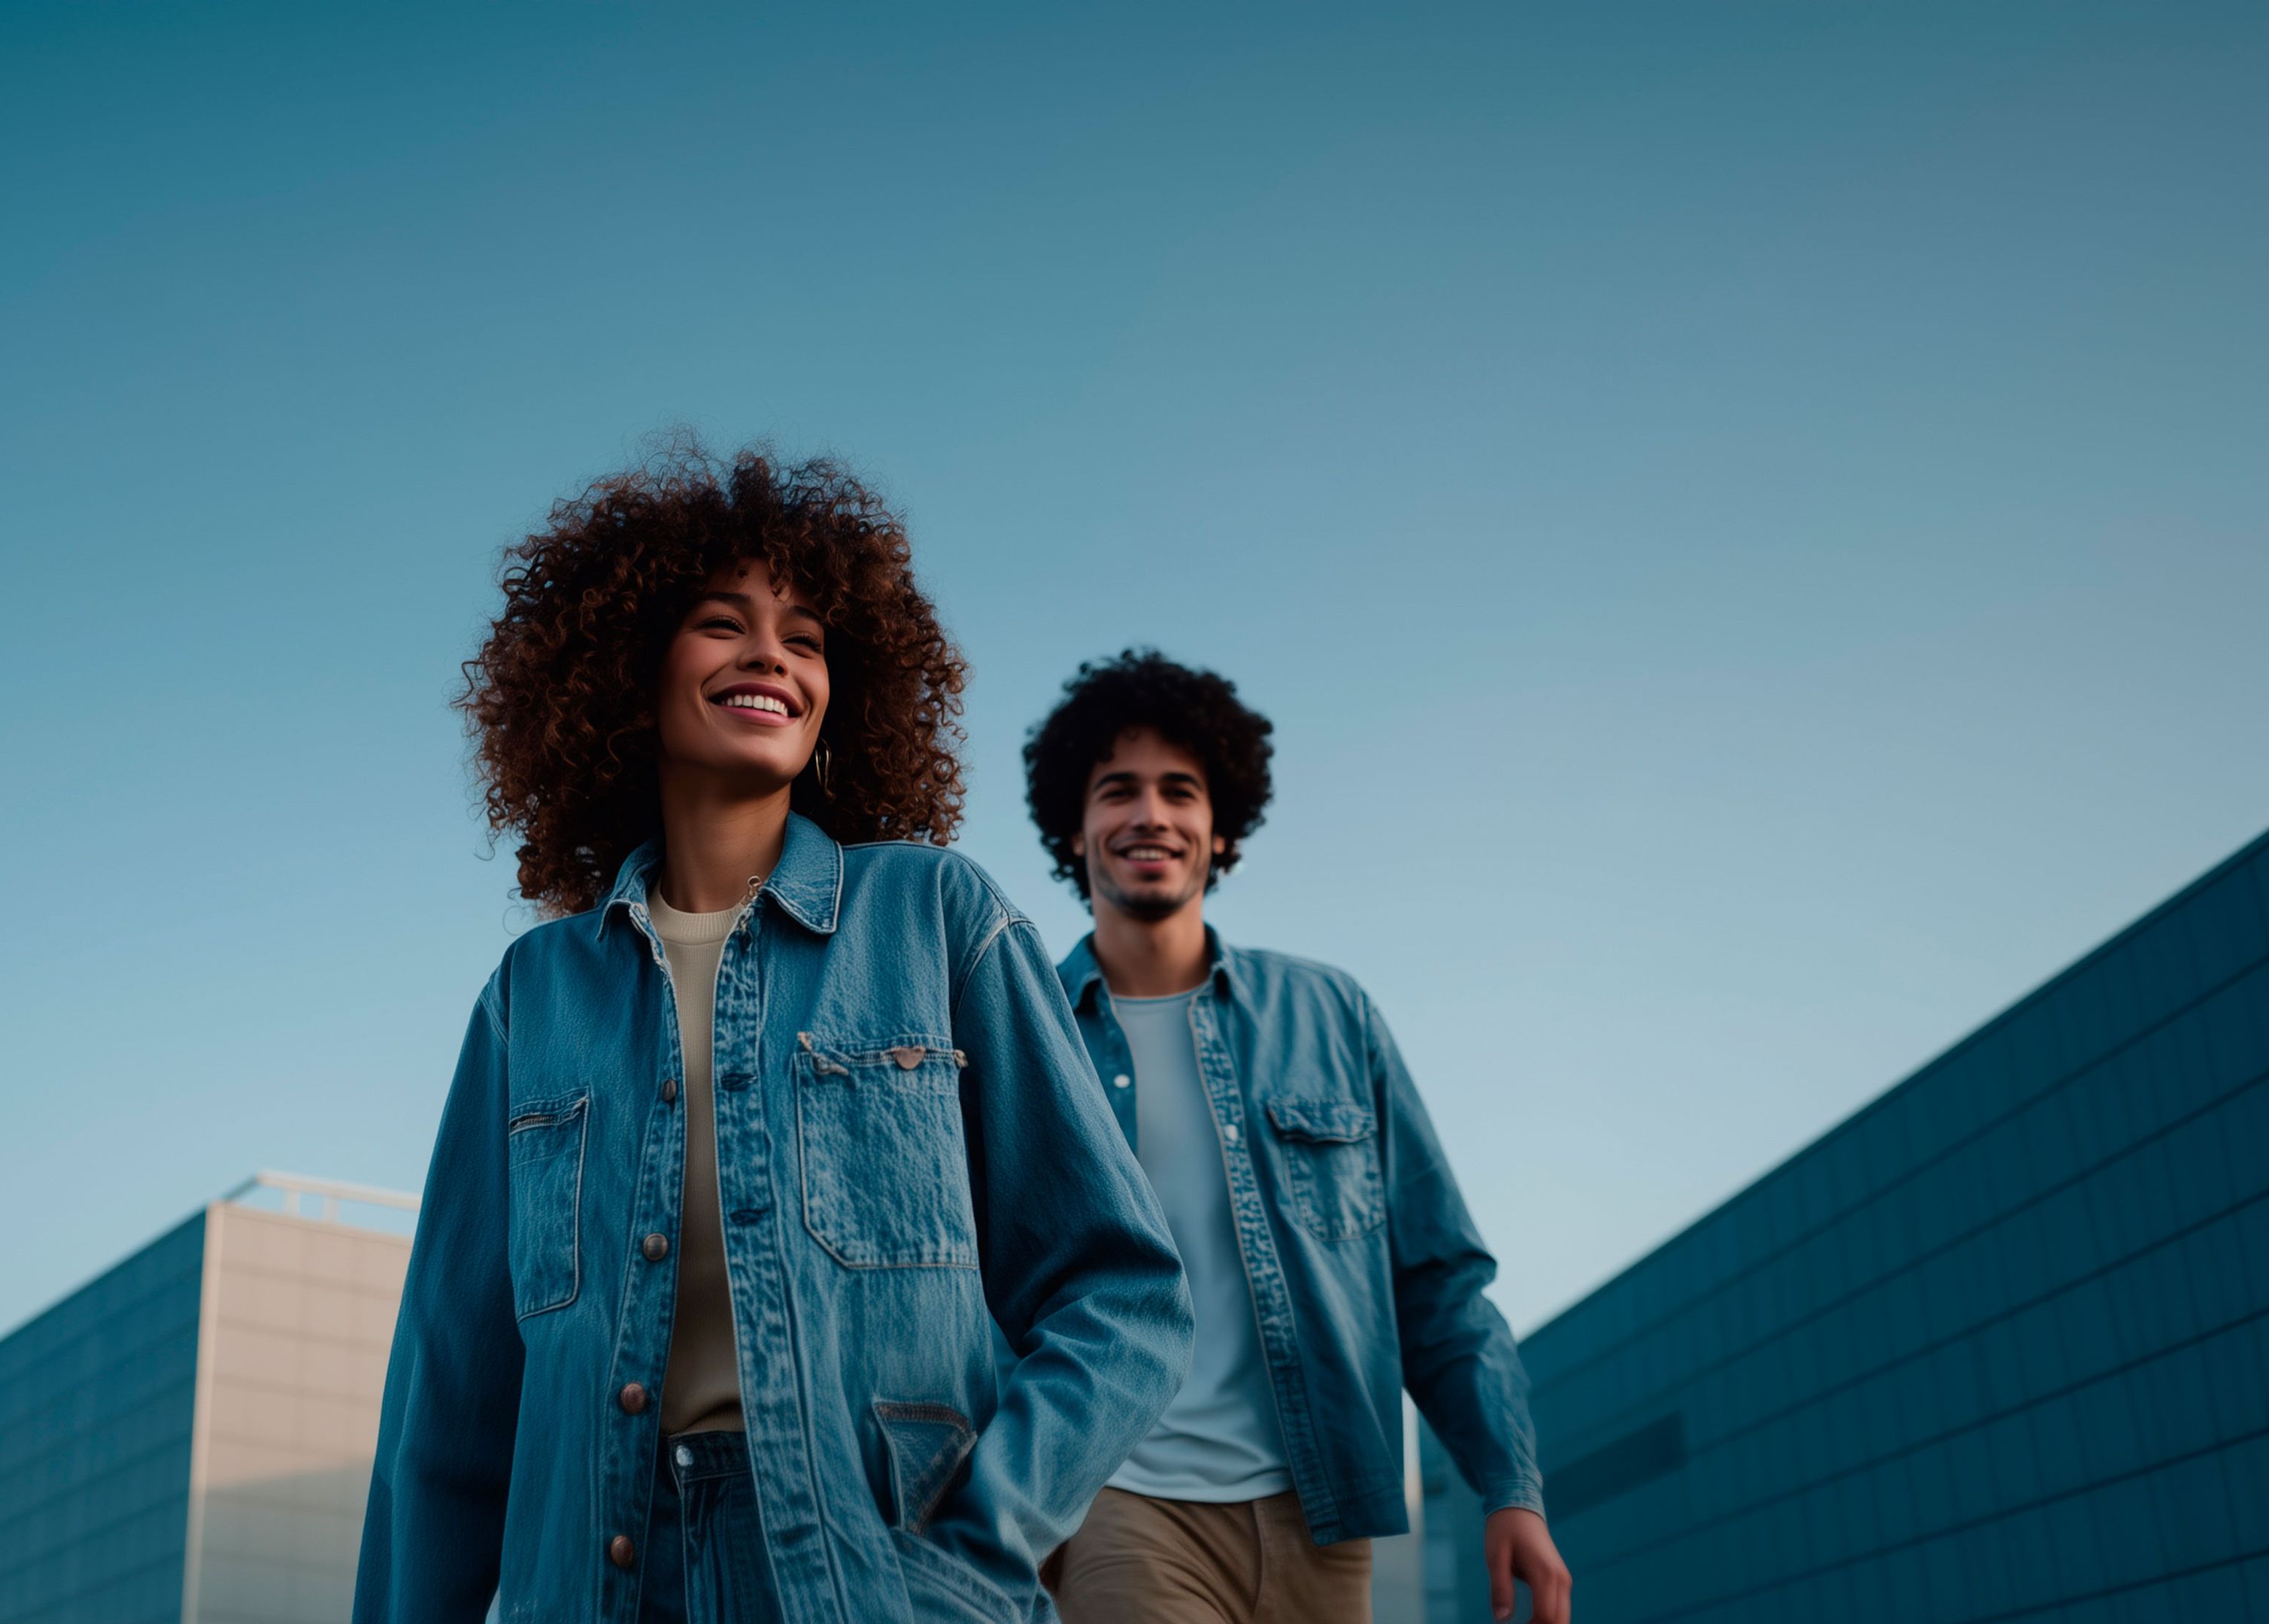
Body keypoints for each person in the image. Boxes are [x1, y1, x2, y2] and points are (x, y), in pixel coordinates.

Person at [353, 448, 1192, 1624]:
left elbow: (1124, 1294)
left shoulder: (936, 920)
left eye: (805, 639)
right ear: (628, 671)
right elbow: (447, 1410)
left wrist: (981, 1542)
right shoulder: (531, 997)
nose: (771, 657)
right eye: (722, 624)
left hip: (876, 1585)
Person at [1026, 650, 1572, 1624]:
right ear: (1075, 828)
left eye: (1180, 791)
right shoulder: (1027, 1030)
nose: (1150, 813)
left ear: (1221, 828)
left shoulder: (1331, 1016)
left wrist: (1509, 1487)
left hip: (1323, 1514)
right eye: (1118, 790)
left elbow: (1437, 1282)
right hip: (1114, 1500)